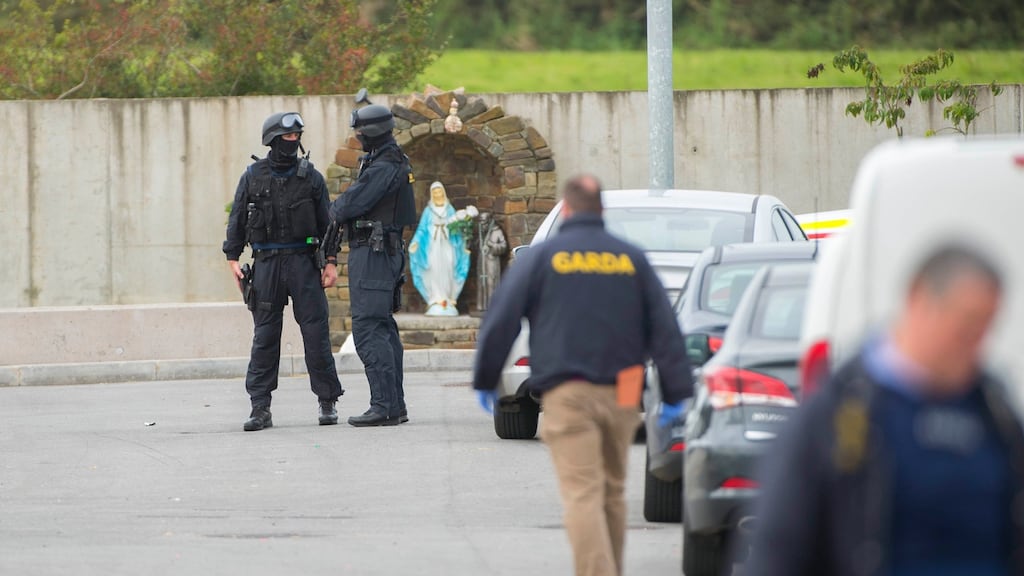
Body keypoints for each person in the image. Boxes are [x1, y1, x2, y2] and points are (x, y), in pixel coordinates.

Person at [745, 243, 1024, 576]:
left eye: (984, 329)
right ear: (918, 299)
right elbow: (778, 551)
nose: (975, 344)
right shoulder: (836, 416)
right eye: (965, 325)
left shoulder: (995, 414)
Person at [472, 175, 693, 576]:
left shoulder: (543, 258)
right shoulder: (630, 259)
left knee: (582, 493)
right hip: (625, 391)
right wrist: (678, 392)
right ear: (601, 211)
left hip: (566, 389)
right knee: (610, 490)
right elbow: (665, 329)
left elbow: (501, 319)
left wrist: (487, 379)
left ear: (567, 210)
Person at [223, 111, 344, 431]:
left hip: (304, 262)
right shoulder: (252, 176)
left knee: (316, 334)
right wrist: (232, 259)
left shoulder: (312, 178)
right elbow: (236, 219)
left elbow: (328, 224)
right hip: (266, 265)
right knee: (265, 337)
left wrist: (330, 261)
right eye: (288, 138)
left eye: (297, 138)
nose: (293, 142)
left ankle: (327, 401)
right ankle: (260, 407)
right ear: (273, 140)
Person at [329, 103, 417, 427]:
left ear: (373, 131)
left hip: (375, 253)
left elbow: (352, 203)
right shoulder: (389, 160)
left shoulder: (385, 166)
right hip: (383, 251)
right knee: (383, 327)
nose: (357, 137)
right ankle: (395, 406)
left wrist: (333, 208)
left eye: (360, 131)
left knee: (368, 327)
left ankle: (383, 406)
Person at [408, 181, 471, 316]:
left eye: (439, 191)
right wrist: (416, 242)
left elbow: (457, 230)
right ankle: (435, 299)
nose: (437, 194)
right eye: (435, 192)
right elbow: (422, 230)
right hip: (432, 246)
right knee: (433, 269)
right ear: (432, 194)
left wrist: (462, 242)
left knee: (448, 268)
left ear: (443, 192)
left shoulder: (449, 209)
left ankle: (448, 298)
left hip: (447, 245)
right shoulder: (428, 211)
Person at [476, 212, 507, 311]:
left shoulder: (497, 231)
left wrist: (492, 245)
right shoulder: (481, 232)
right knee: (482, 282)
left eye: (484, 222)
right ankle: (482, 306)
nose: (482, 224)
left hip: (492, 261)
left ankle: (492, 306)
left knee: (491, 282)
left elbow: (503, 246)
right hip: (482, 261)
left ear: (489, 221)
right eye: (480, 222)